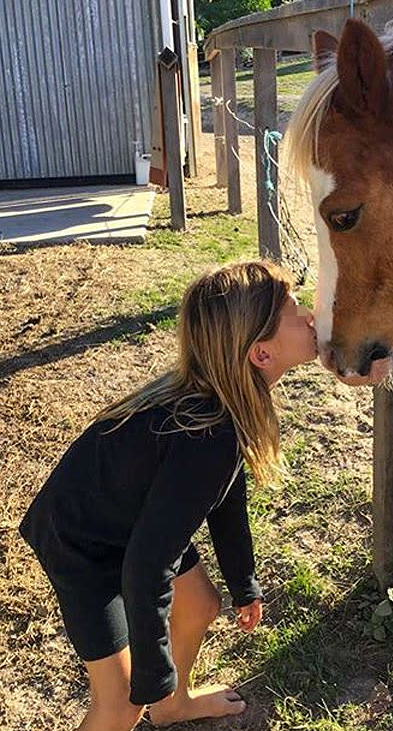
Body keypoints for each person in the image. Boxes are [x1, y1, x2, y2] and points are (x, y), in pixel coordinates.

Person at [19, 260, 317, 731]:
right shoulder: (210, 434)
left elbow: (226, 500)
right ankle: (161, 697)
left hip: (129, 516)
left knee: (199, 605)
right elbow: (146, 564)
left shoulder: (223, 405)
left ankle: (174, 706)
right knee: (120, 707)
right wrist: (153, 671)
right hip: (80, 541)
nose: (313, 318)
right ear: (261, 353)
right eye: (297, 313)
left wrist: (243, 583)